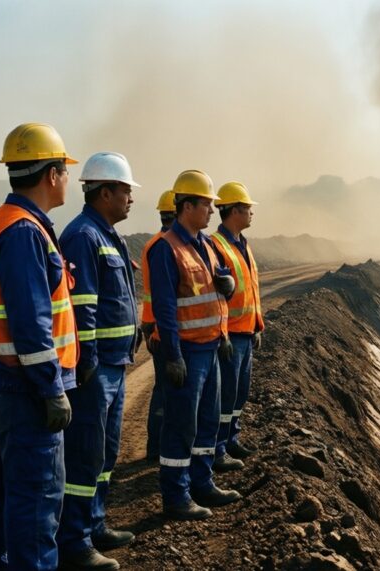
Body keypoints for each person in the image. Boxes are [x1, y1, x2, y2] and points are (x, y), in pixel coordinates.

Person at [0, 123, 78, 570]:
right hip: (23, 390)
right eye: (64, 170)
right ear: (51, 175)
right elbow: (32, 326)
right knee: (34, 503)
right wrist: (51, 388)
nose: (67, 179)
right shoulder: (25, 232)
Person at [56, 152, 141, 570]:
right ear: (104, 192)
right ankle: (74, 541)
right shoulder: (82, 237)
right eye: (126, 191)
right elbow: (83, 305)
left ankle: (95, 522)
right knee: (84, 455)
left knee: (105, 454)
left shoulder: (110, 235)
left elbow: (119, 297)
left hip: (115, 364)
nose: (131, 199)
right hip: (96, 369)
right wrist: (86, 361)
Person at [148, 170, 240, 520]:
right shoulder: (165, 248)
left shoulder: (204, 245)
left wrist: (225, 328)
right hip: (186, 352)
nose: (212, 212)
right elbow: (166, 307)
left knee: (206, 421)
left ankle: (203, 482)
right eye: (206, 205)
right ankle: (176, 495)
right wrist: (172, 355)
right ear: (187, 206)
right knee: (180, 425)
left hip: (210, 349)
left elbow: (216, 294)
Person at [210, 182, 265, 472]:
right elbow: (216, 297)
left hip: (245, 332)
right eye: (247, 208)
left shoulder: (242, 244)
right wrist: (222, 333)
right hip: (230, 335)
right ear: (233, 211)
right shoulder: (216, 246)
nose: (251, 213)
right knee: (226, 393)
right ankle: (218, 448)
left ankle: (231, 438)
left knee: (239, 392)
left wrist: (256, 327)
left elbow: (250, 291)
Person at [142, 189, 176, 461]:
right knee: (166, 390)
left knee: (163, 389)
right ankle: (157, 448)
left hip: (155, 329)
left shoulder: (154, 243)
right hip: (165, 332)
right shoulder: (166, 247)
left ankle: (157, 446)